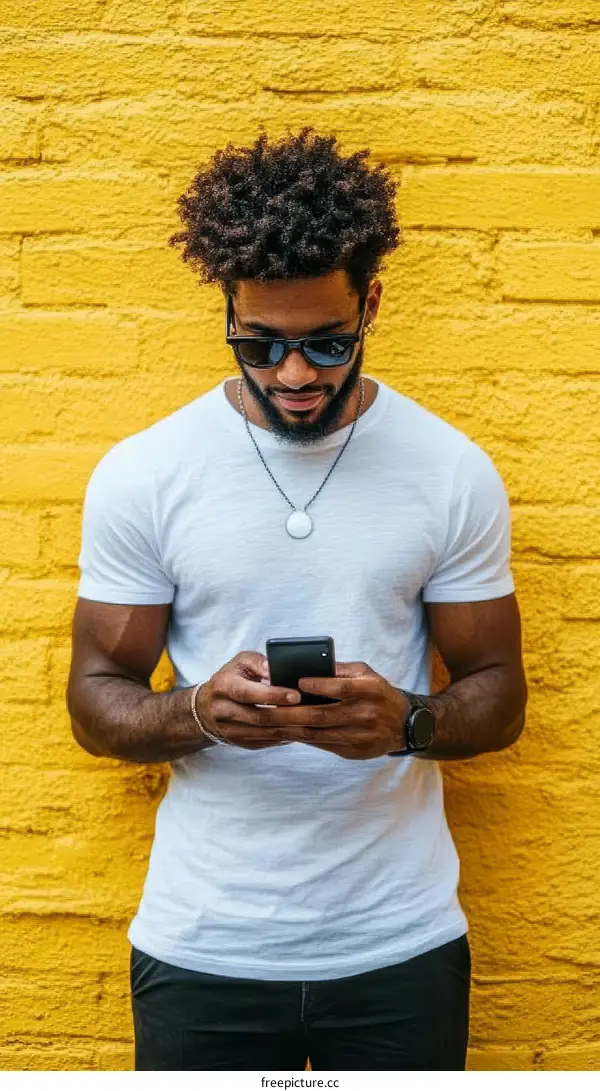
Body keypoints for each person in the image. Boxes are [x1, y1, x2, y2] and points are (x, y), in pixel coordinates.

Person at [67, 128, 527, 1072]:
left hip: (400, 943)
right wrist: (198, 710)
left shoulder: (450, 471)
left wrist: (409, 720)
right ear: (226, 311)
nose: (295, 376)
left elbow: (500, 690)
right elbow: (93, 698)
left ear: (371, 304)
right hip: (204, 945)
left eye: (327, 342)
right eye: (261, 343)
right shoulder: (146, 475)